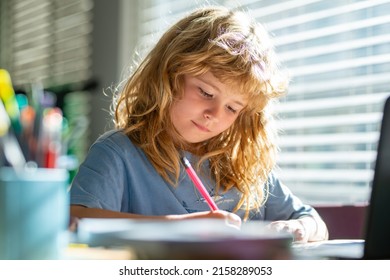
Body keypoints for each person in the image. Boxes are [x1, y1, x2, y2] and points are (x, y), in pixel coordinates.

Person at [70, 6, 328, 243]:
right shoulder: (119, 154)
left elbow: (315, 223)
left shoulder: (243, 168)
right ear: (169, 75)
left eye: (232, 108)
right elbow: (74, 221)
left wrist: (300, 228)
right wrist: (180, 227)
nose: (214, 114)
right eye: (206, 92)